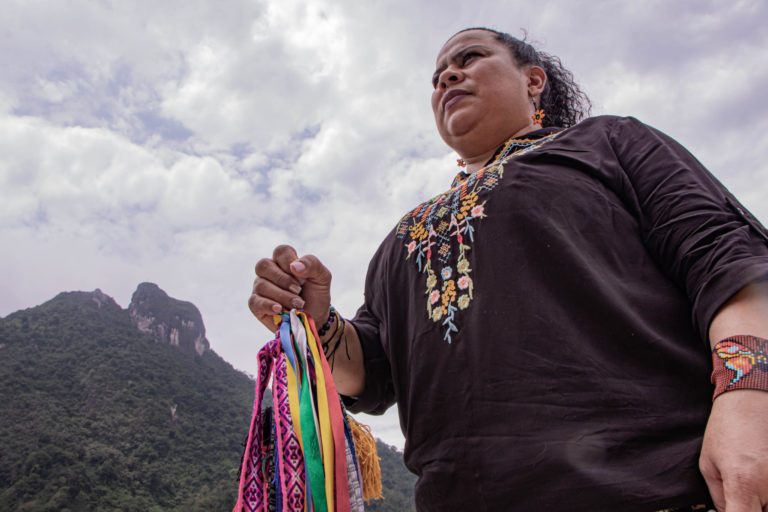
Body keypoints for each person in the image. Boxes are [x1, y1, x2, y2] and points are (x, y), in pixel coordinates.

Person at [249, 27, 768, 511]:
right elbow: (371, 373)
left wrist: (748, 402)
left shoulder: (609, 144)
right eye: (436, 76)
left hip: (655, 491)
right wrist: (315, 325)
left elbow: (727, 259)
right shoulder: (400, 240)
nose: (447, 76)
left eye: (469, 58)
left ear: (533, 80)